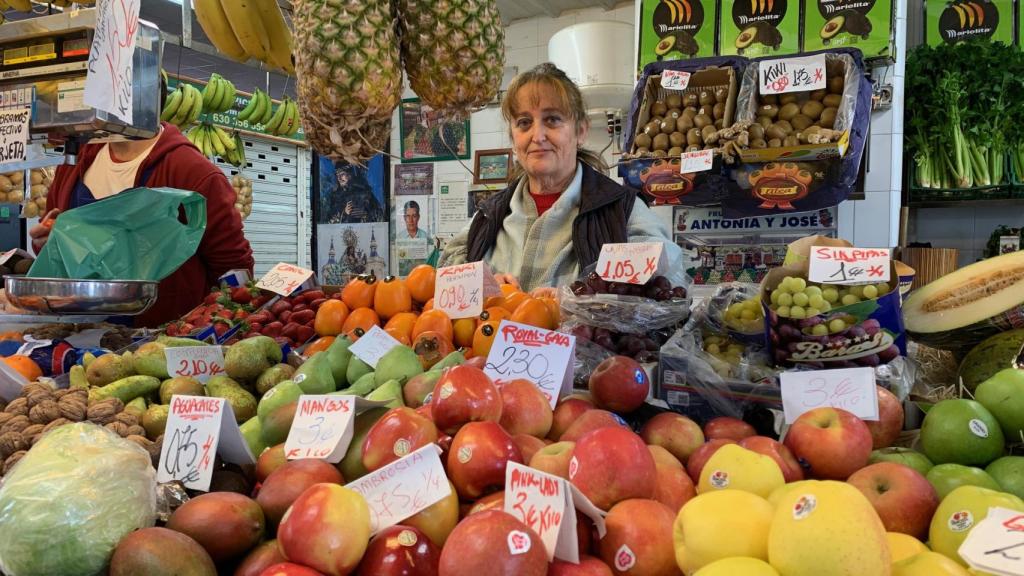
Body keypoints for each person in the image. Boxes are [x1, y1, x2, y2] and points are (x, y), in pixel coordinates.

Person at [440, 63, 684, 295]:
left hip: (585, 340)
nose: (538, 135)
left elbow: (668, 281)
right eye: (524, 123)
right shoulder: (488, 215)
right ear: (514, 139)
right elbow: (446, 274)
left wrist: (581, 303)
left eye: (552, 120)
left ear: (580, 131)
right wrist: (482, 284)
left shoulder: (621, 209)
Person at [30, 76, 254, 328]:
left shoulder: (192, 172)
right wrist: (46, 242)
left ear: (140, 98)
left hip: (157, 343)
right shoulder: (74, 165)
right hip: (75, 335)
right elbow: (65, 252)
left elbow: (233, 267)